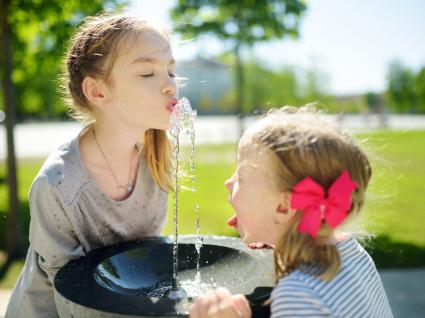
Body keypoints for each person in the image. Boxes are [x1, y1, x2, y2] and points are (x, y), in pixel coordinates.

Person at [6, 13, 178, 317]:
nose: (169, 86)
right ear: (98, 91)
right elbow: (70, 295)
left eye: (171, 72)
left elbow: (147, 261)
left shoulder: (155, 161)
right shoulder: (58, 185)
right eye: (147, 74)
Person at [189, 106, 393, 318]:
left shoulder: (299, 295)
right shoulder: (351, 253)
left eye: (241, 176)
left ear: (284, 207)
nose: (228, 182)